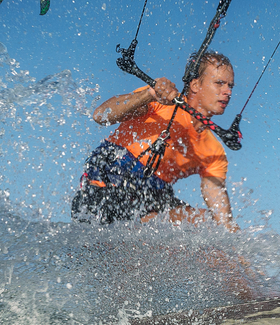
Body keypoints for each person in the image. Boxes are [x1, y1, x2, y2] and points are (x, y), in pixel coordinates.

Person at [72, 51, 238, 231]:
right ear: (196, 85)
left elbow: (223, 217)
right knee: (155, 221)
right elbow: (100, 115)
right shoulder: (162, 102)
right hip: (108, 181)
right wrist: (149, 94)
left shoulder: (214, 152)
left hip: (153, 195)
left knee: (207, 221)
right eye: (219, 83)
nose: (227, 92)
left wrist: (241, 249)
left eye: (230, 86)